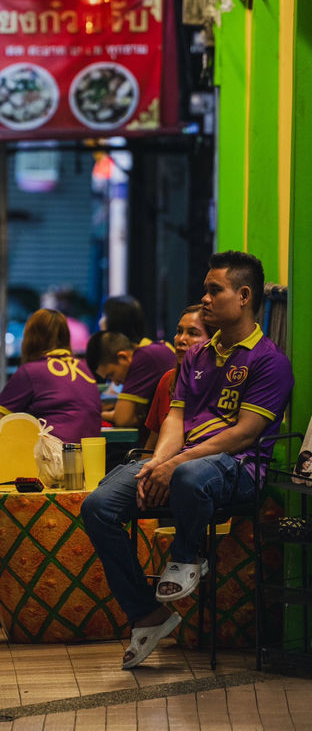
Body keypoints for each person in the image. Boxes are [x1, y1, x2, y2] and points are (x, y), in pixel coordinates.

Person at [81, 250, 294, 670]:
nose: (206, 299)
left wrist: (176, 464)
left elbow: (246, 432)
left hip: (238, 467)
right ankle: (147, 614)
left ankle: (186, 555)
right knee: (98, 506)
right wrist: (158, 462)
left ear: (245, 295)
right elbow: (175, 417)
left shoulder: (270, 362)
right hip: (183, 464)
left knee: (191, 476)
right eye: (206, 291)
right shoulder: (196, 356)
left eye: (215, 290)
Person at [0, 308, 102, 493]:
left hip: (52, 468)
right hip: (89, 468)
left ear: (31, 338)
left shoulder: (32, 371)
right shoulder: (84, 368)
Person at [144, 305, 214, 450]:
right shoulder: (168, 379)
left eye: (193, 333)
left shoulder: (220, 381)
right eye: (179, 331)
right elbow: (152, 445)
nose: (181, 339)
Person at [86, 330, 175, 431]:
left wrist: (95, 414)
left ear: (123, 357)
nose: (115, 383)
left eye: (111, 375)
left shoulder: (144, 358)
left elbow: (123, 419)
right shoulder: (155, 348)